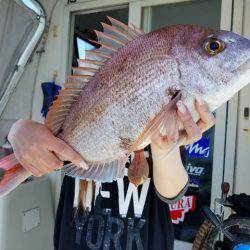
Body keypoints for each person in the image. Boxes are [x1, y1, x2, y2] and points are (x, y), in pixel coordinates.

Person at [7, 99, 215, 250]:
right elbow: (32, 138)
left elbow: (172, 193)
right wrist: (16, 129)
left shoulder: (166, 131)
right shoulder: (81, 117)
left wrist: (165, 149)